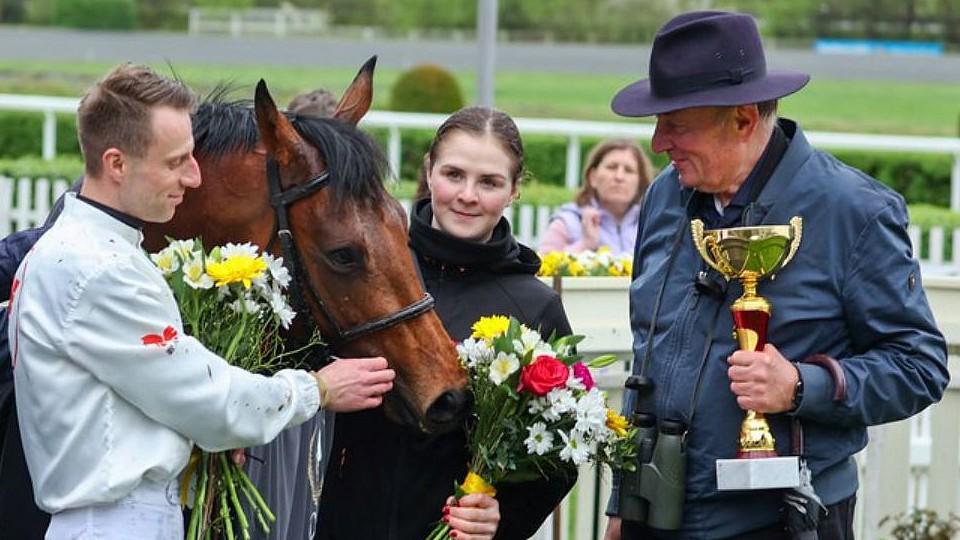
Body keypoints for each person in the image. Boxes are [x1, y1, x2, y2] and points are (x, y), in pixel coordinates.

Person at [8, 63, 396, 540]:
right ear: (116, 164)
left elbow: (130, 407)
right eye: (175, 162)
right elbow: (210, 400)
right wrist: (317, 390)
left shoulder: (83, 251)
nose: (193, 177)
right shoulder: (99, 268)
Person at [603, 11, 949, 540]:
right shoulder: (663, 198)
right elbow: (647, 358)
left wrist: (800, 387)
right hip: (656, 513)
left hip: (785, 521)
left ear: (742, 119)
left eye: (675, 123)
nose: (656, 142)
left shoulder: (854, 212)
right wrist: (621, 504)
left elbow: (918, 366)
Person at [318, 106, 576, 540]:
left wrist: (499, 517)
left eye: (489, 182)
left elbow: (558, 457)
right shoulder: (365, 269)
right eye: (454, 174)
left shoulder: (536, 306)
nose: (467, 195)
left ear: (514, 190)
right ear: (429, 171)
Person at [539, 139, 654, 255]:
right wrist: (584, 244)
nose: (619, 177)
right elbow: (544, 266)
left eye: (629, 170)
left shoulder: (651, 224)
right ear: (592, 177)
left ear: (641, 181)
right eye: (612, 167)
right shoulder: (568, 222)